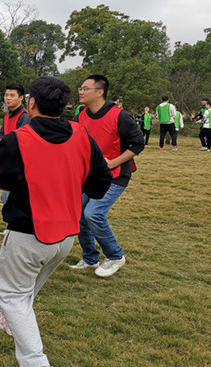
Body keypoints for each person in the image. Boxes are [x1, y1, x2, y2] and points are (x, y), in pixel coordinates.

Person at [0, 76, 112, 367]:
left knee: (12, 294)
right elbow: (101, 180)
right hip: (64, 239)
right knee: (24, 293)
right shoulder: (81, 133)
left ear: (31, 103)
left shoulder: (20, 138)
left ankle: (34, 360)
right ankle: (10, 323)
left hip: (28, 235)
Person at [71, 74, 144, 277]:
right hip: (91, 175)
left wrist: (112, 163)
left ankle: (115, 256)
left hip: (116, 174)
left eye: (85, 88)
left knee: (93, 214)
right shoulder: (82, 115)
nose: (81, 91)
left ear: (100, 92)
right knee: (78, 215)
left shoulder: (120, 116)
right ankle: (90, 258)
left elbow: (138, 144)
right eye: (81, 88)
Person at [0, 84, 31, 207]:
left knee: (9, 197)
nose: (8, 98)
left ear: (21, 97)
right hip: (9, 162)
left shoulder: (24, 116)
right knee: (6, 196)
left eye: (12, 95)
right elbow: (2, 135)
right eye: (6, 95)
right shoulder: (7, 117)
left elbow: (22, 141)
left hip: (20, 166)